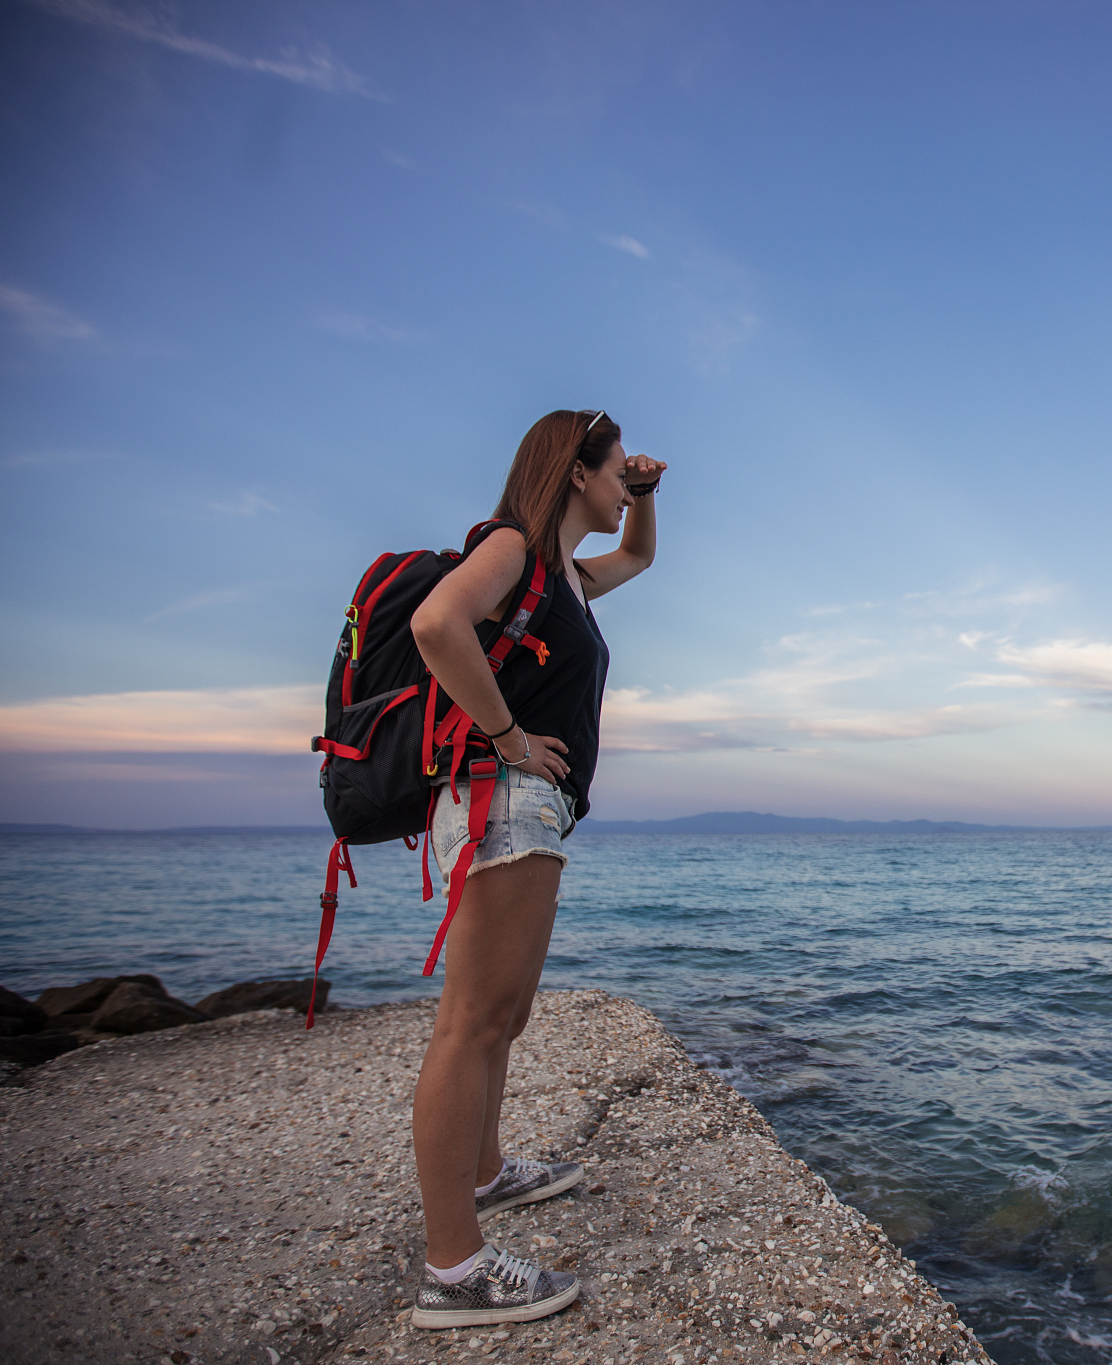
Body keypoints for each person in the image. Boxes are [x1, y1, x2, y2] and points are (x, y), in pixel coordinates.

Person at [403, 409, 666, 1328]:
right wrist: (509, 737)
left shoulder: (567, 575)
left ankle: (486, 1171)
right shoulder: (515, 548)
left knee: (502, 1015)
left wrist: (644, 497)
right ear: (573, 471)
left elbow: (638, 560)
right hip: (501, 798)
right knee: (473, 1022)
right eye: (611, 467)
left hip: (527, 806)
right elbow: (439, 623)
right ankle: (455, 1268)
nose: (619, 479)